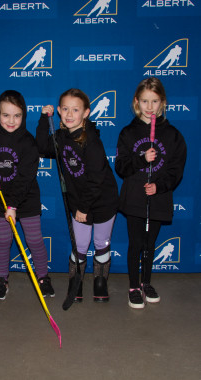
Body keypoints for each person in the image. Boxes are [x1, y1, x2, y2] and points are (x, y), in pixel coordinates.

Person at [0, 90, 54, 300]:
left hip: (26, 199)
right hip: (0, 199)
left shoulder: (28, 142)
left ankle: (43, 277)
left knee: (34, 240)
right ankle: (1, 279)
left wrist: (13, 206)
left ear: (24, 115)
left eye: (17, 115)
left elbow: (25, 179)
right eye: (6, 115)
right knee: (3, 241)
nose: (11, 121)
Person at [36, 88, 118, 303]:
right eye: (65, 109)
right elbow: (42, 147)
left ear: (86, 113)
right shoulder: (62, 136)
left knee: (101, 243)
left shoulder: (91, 141)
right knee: (80, 246)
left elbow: (97, 179)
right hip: (80, 203)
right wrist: (45, 120)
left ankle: (100, 282)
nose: (69, 114)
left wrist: (84, 208)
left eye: (75, 109)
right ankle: (77, 280)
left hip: (102, 202)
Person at [115, 77, 187, 309]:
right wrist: (141, 158)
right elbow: (121, 167)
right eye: (144, 101)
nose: (149, 106)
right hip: (135, 198)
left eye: (154, 101)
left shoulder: (173, 135)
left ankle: (146, 282)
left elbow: (177, 169)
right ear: (137, 102)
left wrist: (160, 186)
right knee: (135, 243)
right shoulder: (128, 132)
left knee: (150, 243)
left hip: (158, 198)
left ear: (162, 102)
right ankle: (134, 286)